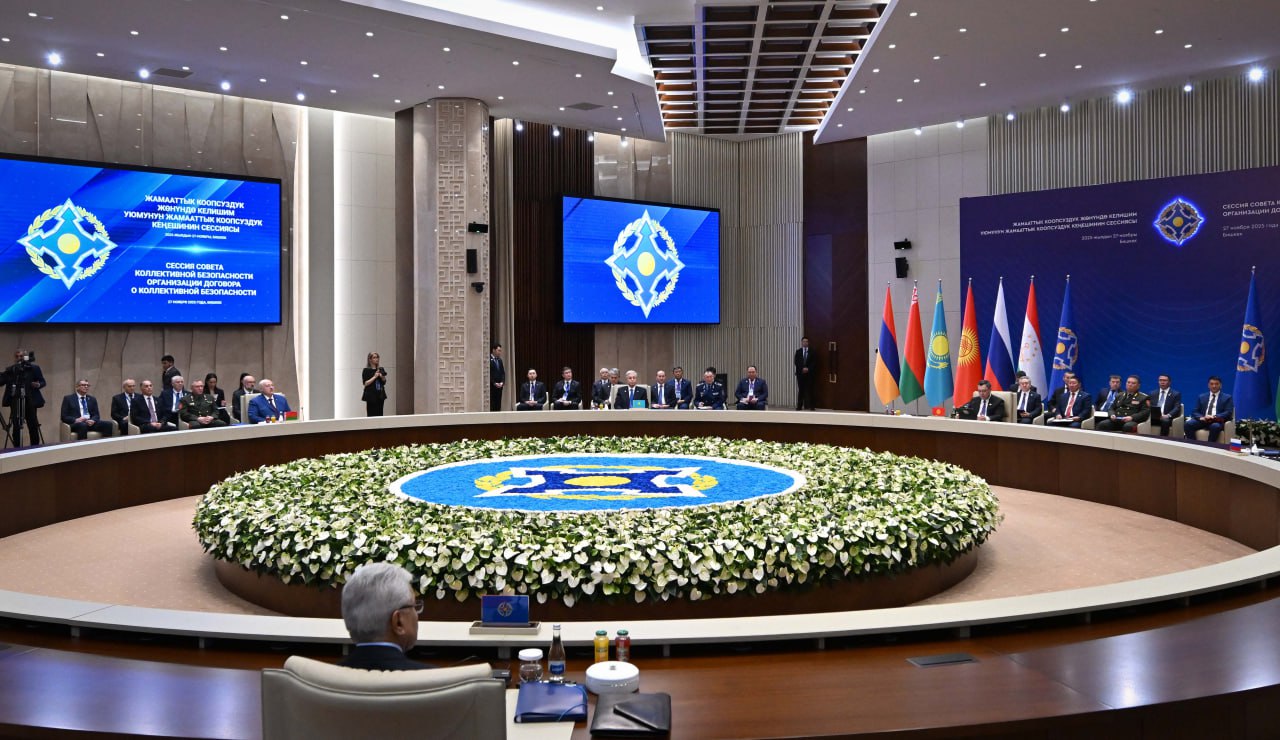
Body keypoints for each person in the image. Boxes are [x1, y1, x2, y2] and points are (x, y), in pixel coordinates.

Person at [337, 563, 433, 671]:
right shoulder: (434, 678)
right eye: (414, 606)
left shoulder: (328, 677)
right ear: (398, 622)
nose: (416, 614)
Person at [1, 348, 46, 447]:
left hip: (30, 401)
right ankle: (17, 449)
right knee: (16, 426)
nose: (19, 358)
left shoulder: (33, 368)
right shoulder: (11, 369)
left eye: (21, 356)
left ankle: (34, 448)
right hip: (15, 401)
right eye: (17, 356)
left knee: (32, 425)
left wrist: (38, 384)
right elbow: (1, 380)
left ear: (25, 357)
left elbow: (43, 381)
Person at [1184, 376, 1234, 443]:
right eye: (1211, 384)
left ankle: (1209, 446)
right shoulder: (1202, 396)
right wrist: (1201, 417)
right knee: (1188, 424)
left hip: (1217, 421)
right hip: (1203, 420)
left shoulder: (1227, 397)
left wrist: (1214, 417)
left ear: (1220, 385)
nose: (1214, 386)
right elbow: (1195, 411)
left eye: (1216, 384)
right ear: (1208, 385)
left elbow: (1228, 412)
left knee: (1215, 426)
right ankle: (1194, 444)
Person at [362, 352, 388, 417]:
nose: (376, 359)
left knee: (380, 414)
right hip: (371, 396)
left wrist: (382, 377)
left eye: (377, 357)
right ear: (370, 359)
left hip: (380, 395)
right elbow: (365, 383)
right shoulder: (366, 370)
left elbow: (384, 382)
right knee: (371, 414)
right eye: (374, 357)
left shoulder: (380, 369)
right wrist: (375, 377)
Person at [794, 337, 816, 410]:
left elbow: (814, 362)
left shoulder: (812, 351)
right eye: (804, 341)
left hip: (809, 374)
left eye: (806, 341)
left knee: (810, 390)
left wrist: (808, 369)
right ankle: (799, 406)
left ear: (808, 343)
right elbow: (796, 362)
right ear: (801, 342)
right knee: (801, 390)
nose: (805, 343)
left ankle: (812, 406)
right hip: (800, 374)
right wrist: (802, 368)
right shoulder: (798, 352)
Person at [489, 343, 505, 412]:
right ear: (493, 350)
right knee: (492, 404)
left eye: (500, 351)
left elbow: (503, 373)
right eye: (498, 350)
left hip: (499, 386)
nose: (500, 352)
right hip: (492, 386)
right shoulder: (488, 359)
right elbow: (488, 373)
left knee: (498, 404)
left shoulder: (500, 360)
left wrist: (502, 382)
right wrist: (494, 383)